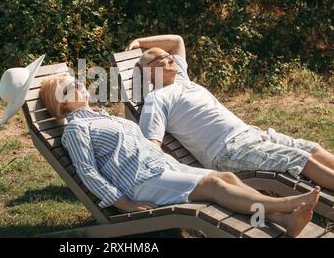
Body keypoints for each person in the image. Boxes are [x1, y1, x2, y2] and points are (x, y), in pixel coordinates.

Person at [40, 73, 320, 237]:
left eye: (76, 80)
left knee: (226, 177)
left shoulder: (105, 117)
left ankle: (283, 221)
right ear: (60, 102)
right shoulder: (76, 130)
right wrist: (123, 203)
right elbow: (88, 172)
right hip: (141, 183)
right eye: (68, 87)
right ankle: (286, 203)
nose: (78, 85)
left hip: (162, 167)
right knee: (215, 186)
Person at [128, 35, 334, 191]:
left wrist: (139, 41)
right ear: (150, 72)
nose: (169, 57)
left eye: (167, 55)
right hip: (228, 152)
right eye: (161, 58)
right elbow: (151, 144)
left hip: (251, 134)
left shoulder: (181, 78)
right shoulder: (157, 99)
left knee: (310, 148)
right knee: (299, 158)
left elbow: (177, 41)